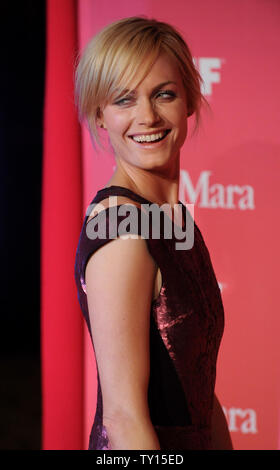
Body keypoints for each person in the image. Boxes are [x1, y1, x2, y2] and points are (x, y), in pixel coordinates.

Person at [74, 16, 233, 450]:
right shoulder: (122, 228)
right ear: (99, 116)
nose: (147, 116)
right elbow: (123, 420)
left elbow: (196, 389)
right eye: (124, 99)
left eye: (164, 94)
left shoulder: (172, 219)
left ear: (190, 100)